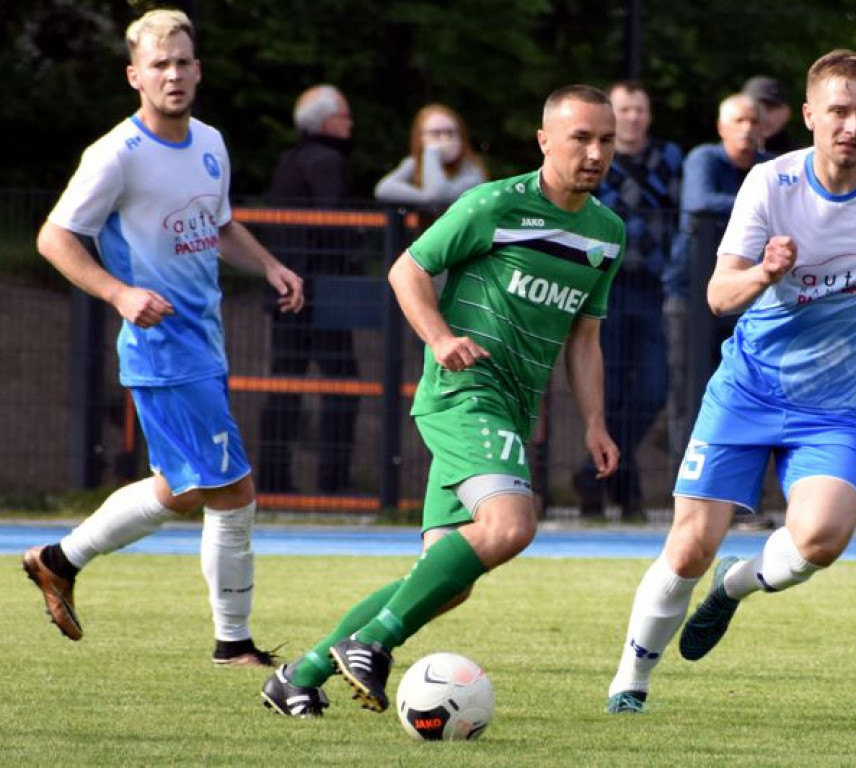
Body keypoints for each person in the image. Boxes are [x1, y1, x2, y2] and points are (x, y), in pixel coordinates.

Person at [606, 49, 856, 715]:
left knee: (822, 537)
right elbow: (718, 296)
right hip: (747, 391)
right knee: (691, 544)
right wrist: (763, 272)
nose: (852, 124)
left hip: (831, 411)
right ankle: (630, 683)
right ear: (810, 115)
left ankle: (733, 588)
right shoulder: (771, 185)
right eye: (839, 110)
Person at [261, 84, 624, 718]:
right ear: (545, 141)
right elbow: (407, 269)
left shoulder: (607, 233)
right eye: (581, 138)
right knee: (511, 526)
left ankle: (299, 674)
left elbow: (585, 338)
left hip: (511, 408)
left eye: (607, 140)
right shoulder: (493, 204)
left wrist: (594, 419)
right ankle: (372, 642)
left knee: (442, 582)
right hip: (465, 394)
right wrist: (440, 336)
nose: (596, 152)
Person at [21, 9, 304, 667]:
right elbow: (53, 237)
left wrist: (268, 264)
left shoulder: (209, 141)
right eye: (158, 65)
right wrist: (119, 293)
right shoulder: (116, 155)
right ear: (134, 76)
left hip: (203, 344)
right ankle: (232, 644)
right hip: (164, 351)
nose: (172, 74)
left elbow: (220, 223)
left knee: (180, 489)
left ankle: (58, 560)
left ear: (197, 69)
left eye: (182, 62)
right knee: (234, 489)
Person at [573, 80, 683, 520]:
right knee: (610, 390)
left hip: (656, 287)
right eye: (624, 109)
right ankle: (622, 487)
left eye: (639, 109)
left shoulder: (668, 158)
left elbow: (683, 212)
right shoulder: (598, 159)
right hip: (606, 285)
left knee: (654, 389)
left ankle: (591, 473)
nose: (633, 117)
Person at [257, 85, 359, 494]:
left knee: (285, 381)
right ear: (326, 121)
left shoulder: (290, 160)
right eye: (345, 115)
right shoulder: (327, 161)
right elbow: (331, 220)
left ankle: (273, 478)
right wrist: (351, 247)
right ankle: (334, 484)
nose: (350, 123)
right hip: (320, 293)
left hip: (285, 288)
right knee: (344, 385)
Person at [663, 94, 770, 463]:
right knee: (686, 385)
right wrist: (758, 204)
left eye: (754, 122)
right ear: (721, 127)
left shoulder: (769, 167)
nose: (747, 129)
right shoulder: (704, 158)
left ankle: (731, 476)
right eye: (738, 121)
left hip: (745, 297)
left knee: (741, 386)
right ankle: (686, 470)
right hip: (688, 292)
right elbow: (699, 201)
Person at [374, 103, 487, 209]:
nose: (444, 139)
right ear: (420, 137)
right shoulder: (414, 163)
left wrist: (432, 153)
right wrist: (425, 198)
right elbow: (383, 189)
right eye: (436, 133)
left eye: (451, 133)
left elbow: (437, 196)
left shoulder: (473, 171)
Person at [743, 75, 800, 156]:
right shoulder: (723, 158)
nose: (763, 114)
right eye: (755, 108)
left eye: (770, 108)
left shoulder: (798, 158)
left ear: (787, 113)